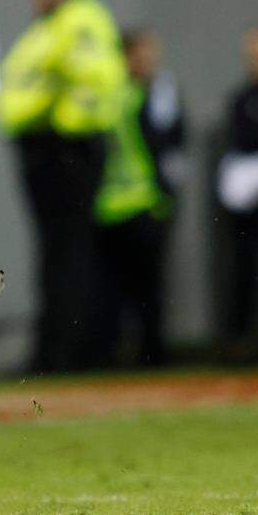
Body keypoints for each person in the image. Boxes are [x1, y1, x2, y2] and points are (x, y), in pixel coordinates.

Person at [0, 0, 126, 372]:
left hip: (67, 149)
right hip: (46, 149)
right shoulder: (52, 25)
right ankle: (59, 351)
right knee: (57, 255)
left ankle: (66, 354)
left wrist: (63, 123)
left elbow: (96, 83)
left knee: (67, 256)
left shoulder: (80, 19)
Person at [94, 29, 185, 367]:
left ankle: (144, 354)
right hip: (124, 203)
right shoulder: (131, 94)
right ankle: (133, 355)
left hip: (137, 202)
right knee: (126, 290)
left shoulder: (129, 93)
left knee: (142, 289)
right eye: (141, 55)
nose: (148, 63)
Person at [216, 27, 258, 360]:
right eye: (252, 57)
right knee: (245, 267)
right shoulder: (241, 99)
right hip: (249, 202)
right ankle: (241, 341)